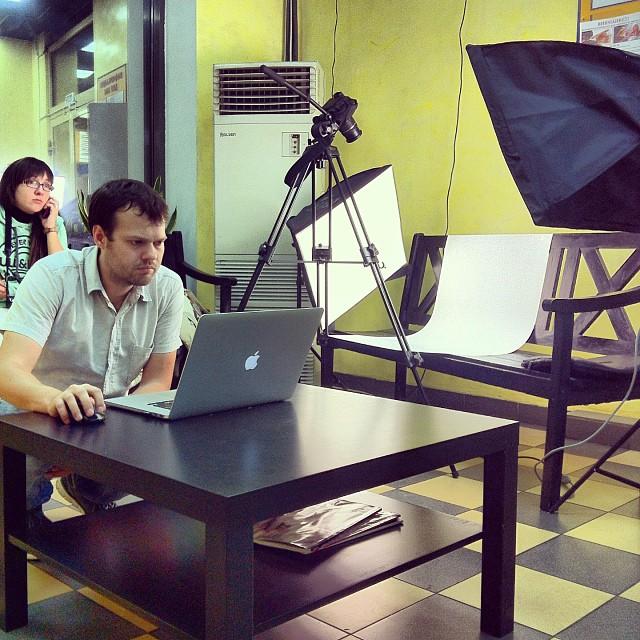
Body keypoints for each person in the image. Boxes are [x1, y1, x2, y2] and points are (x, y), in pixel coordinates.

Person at [0, 178, 184, 523]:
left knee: (159, 456)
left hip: (109, 418)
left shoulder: (167, 287)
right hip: (34, 410)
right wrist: (56, 403)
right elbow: (7, 374)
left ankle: (89, 487)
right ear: (100, 237)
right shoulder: (54, 276)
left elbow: (157, 380)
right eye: (137, 242)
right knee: (16, 499)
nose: (152, 255)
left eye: (158, 242)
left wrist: (107, 433)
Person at [0, 156, 67, 304]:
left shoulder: (55, 223)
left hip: (38, 311)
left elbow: (62, 278)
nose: (40, 191)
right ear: (11, 185)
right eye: (32, 182)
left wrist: (50, 229)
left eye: (47, 185)